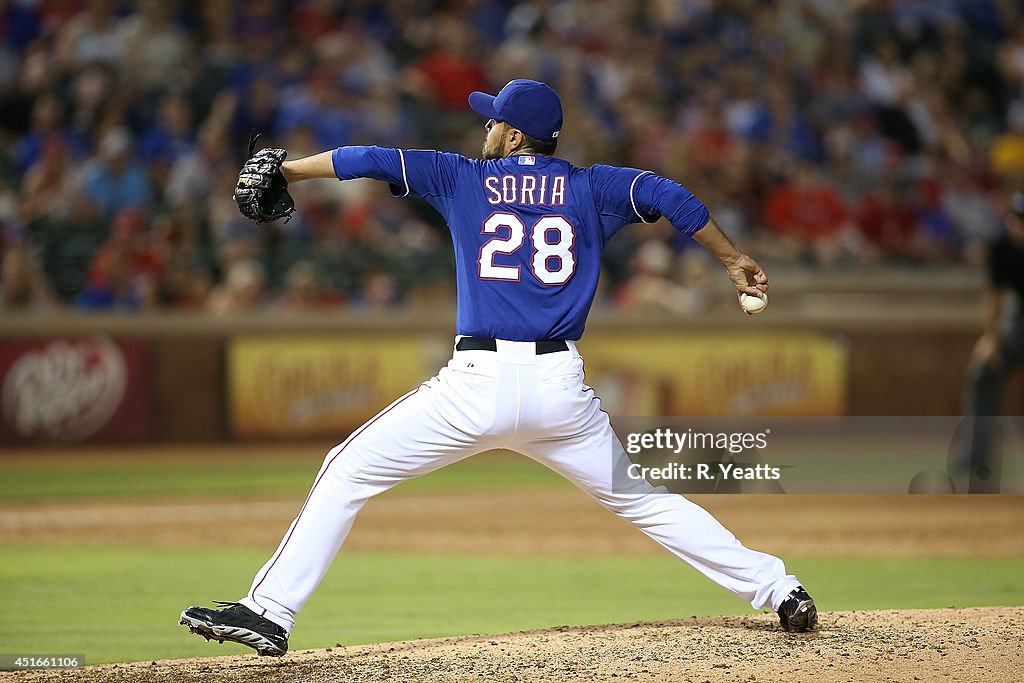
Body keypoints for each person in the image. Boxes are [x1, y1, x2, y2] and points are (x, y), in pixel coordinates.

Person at [179, 80, 817, 656]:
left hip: (474, 387)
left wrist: (288, 170)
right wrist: (732, 259)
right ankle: (779, 588)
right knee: (644, 501)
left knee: (346, 469)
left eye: (492, 122)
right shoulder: (591, 186)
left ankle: (269, 611)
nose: (484, 129)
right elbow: (668, 194)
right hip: (559, 393)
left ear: (512, 134)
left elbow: (366, 159)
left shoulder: (460, 177)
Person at [959, 191, 1024, 492]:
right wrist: (991, 339)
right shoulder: (1002, 248)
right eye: (1018, 221)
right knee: (984, 371)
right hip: (1018, 320)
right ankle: (975, 458)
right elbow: (996, 296)